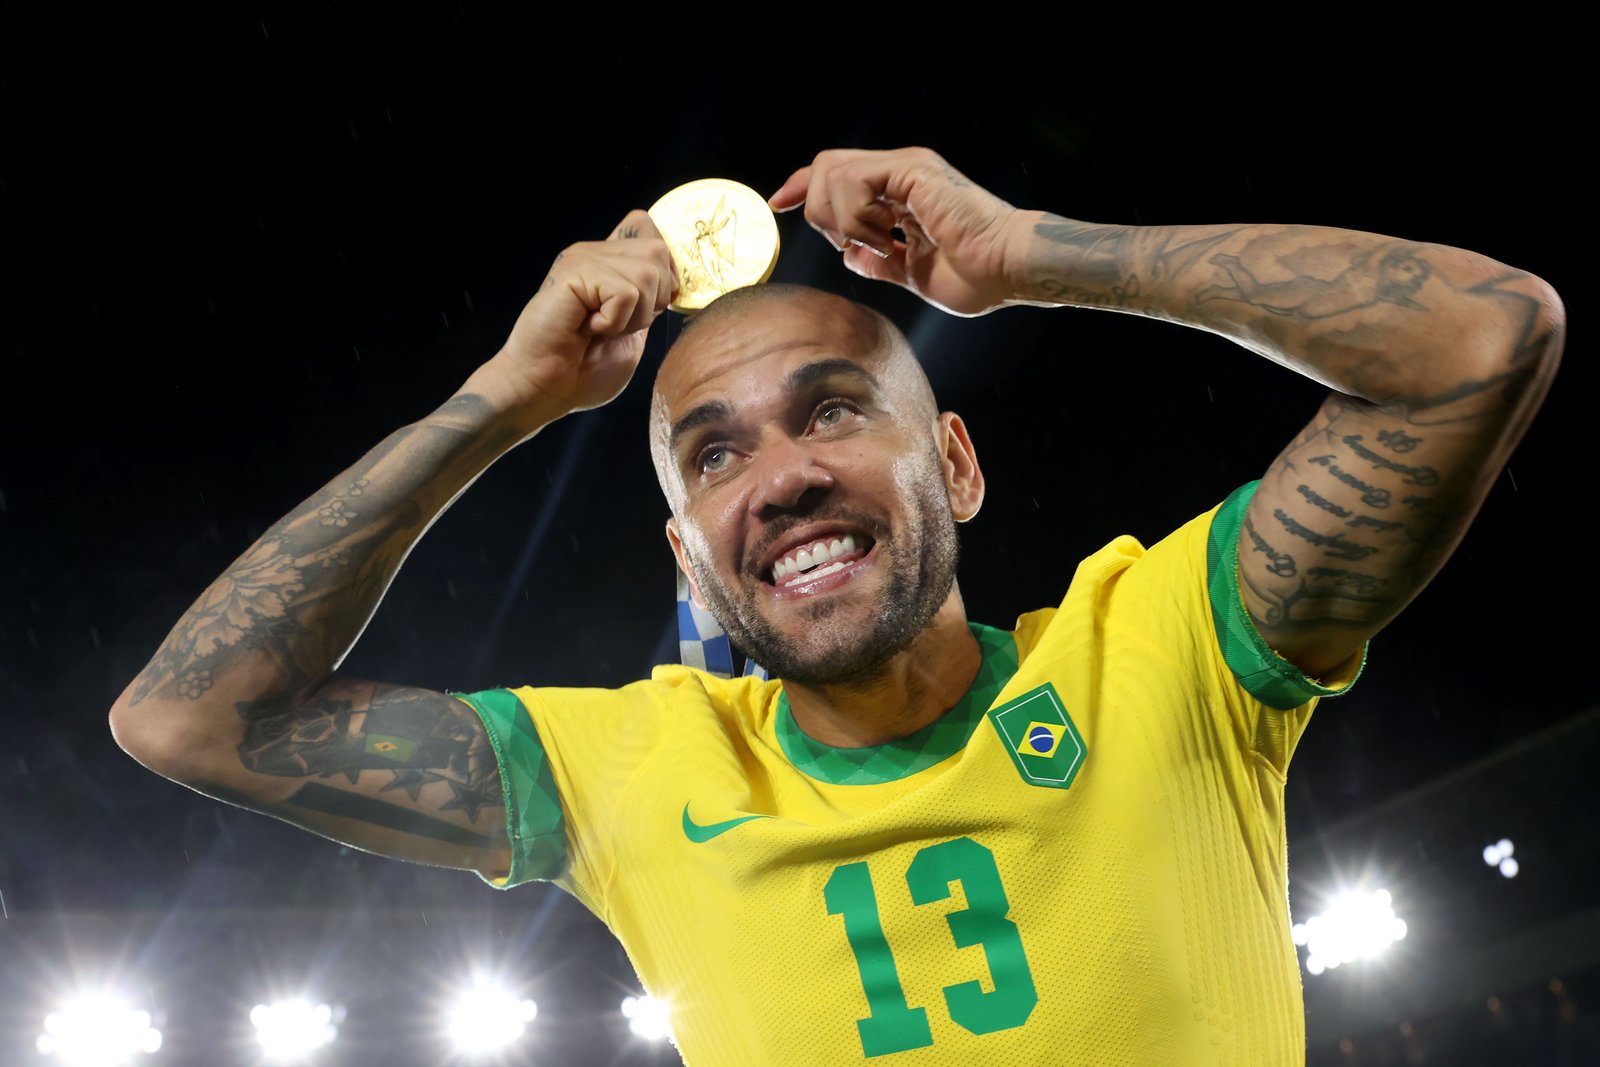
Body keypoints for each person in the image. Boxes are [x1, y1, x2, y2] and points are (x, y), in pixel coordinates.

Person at [109, 147, 1564, 1065]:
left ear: (955, 462)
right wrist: (507, 400)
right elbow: (184, 720)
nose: (781, 479)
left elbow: (1483, 342)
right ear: (690, 560)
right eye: (715, 454)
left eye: (831, 412)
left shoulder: (1168, 647)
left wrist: (1029, 258)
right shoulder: (632, 774)